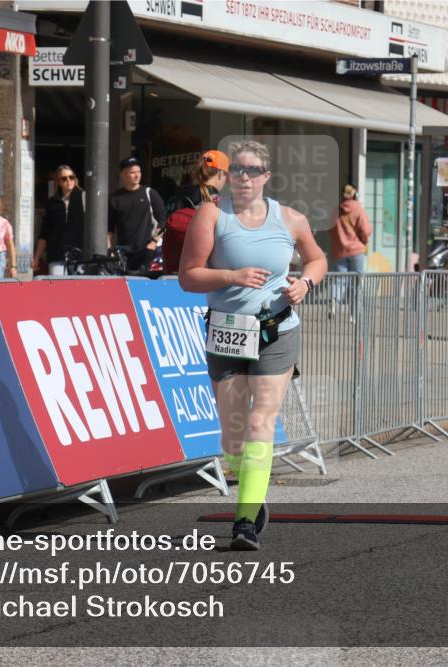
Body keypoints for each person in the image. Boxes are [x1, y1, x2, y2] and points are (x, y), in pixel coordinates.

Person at [179, 140, 327, 550]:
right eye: (237, 171)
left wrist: (305, 283)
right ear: (227, 177)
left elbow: (317, 259)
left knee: (262, 419)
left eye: (251, 171)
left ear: (266, 176)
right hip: (228, 329)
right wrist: (232, 276)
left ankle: (243, 521)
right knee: (233, 434)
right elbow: (188, 276)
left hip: (277, 328)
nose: (243, 178)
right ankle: (252, 489)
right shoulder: (211, 214)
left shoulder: (290, 218)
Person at [163, 150, 229, 274]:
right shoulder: (217, 201)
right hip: (201, 272)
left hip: (175, 269)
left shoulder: (178, 194)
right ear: (221, 174)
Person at [108, 157, 167, 273]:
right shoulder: (115, 198)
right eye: (132, 172)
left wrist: (154, 242)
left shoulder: (150, 194)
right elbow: (110, 228)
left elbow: (163, 221)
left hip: (147, 250)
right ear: (123, 174)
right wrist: (110, 249)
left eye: (138, 172)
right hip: (123, 253)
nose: (137, 175)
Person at [329, 184, 371, 318]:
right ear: (355, 195)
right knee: (356, 282)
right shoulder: (358, 210)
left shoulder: (336, 211)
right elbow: (366, 231)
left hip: (340, 251)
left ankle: (334, 301)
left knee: (340, 279)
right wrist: (363, 239)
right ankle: (354, 313)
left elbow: (331, 229)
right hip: (356, 250)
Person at [33, 165, 85, 275]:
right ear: (58, 182)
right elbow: (45, 232)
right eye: (64, 178)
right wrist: (37, 257)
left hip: (80, 255)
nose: (68, 181)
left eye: (71, 177)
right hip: (56, 254)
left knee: (78, 290)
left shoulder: (84, 197)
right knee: (57, 289)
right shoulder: (52, 202)